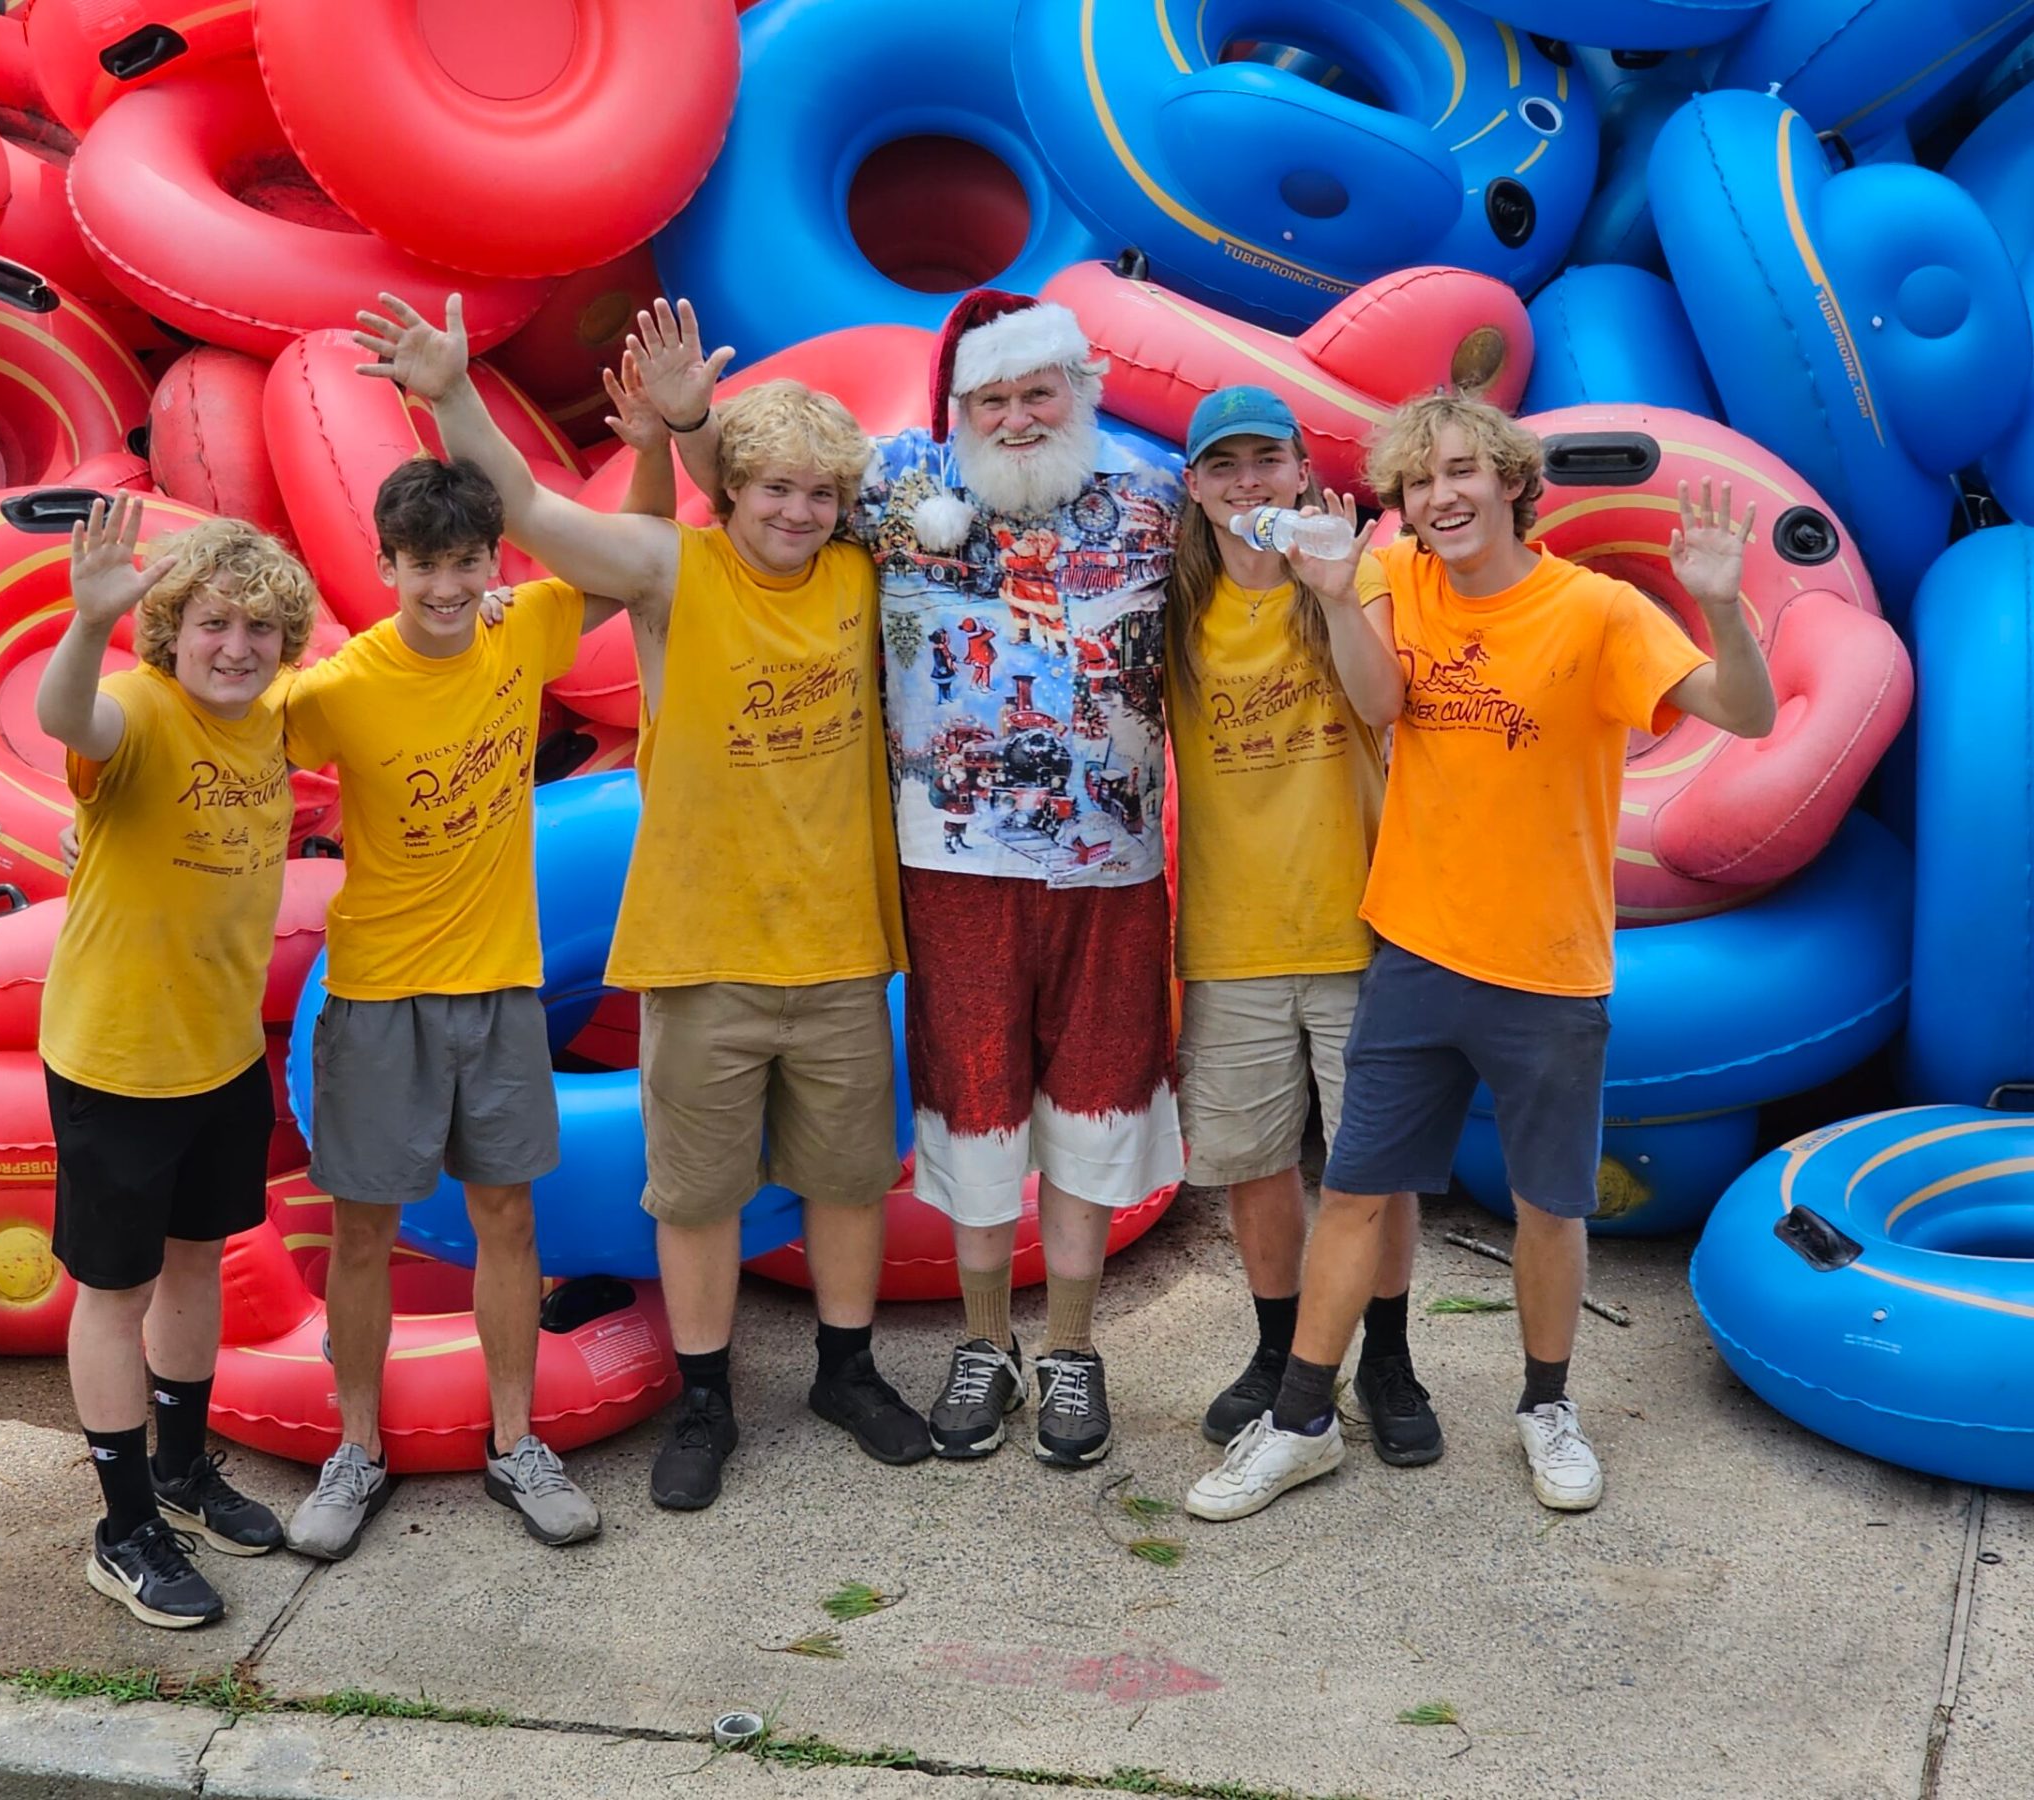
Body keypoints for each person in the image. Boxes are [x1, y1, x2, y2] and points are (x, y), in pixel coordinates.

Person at [354, 292, 928, 1514]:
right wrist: (453, 391)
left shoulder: (862, 579)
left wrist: (704, 426)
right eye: (772, 488)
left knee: (844, 1178)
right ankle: (710, 1398)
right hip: (702, 945)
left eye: (818, 495)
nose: (796, 511)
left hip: (839, 945)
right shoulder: (675, 566)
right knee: (699, 1190)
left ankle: (846, 1370)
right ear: (733, 491)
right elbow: (530, 508)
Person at [1188, 393, 1775, 1522]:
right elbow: (1378, 701)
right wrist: (1332, 591)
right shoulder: (1393, 577)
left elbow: (1741, 714)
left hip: (1549, 965)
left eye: (1463, 472)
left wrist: (1722, 607)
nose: (1440, 497)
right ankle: (1304, 1419)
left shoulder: (1595, 609)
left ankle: (1547, 1407)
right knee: (1355, 1192)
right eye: (1418, 482)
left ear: (1512, 481)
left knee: (1549, 1206)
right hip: (1414, 946)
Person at [639, 292, 1183, 1468]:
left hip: (1113, 872)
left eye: (1038, 391)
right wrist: (687, 428)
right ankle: (986, 1345)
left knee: (1096, 1113)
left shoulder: (1158, 496)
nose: (1019, 416)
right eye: (992, 397)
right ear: (958, 409)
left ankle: (1077, 1351)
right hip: (951, 869)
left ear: (1078, 389)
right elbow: (766, 496)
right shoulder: (891, 489)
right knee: (973, 1111)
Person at [277, 359, 680, 1561]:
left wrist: (653, 439)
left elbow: (646, 547)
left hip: (501, 987)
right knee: (363, 1228)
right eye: (426, 566)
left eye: (470, 564)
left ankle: (515, 1443)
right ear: (386, 567)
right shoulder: (340, 687)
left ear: (493, 566)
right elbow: (222, 721)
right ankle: (358, 1449)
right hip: (376, 995)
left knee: (510, 1217)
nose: (450, 588)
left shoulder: (524, 632)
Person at [35, 499, 318, 1629]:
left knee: (199, 1264)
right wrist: (85, 623)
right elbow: (76, 716)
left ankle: (184, 1473)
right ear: (171, 630)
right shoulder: (140, 711)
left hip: (219, 1054)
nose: (236, 647)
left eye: (259, 628)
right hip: (115, 1059)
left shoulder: (270, 720)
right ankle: (123, 1528)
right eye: (213, 624)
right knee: (117, 1293)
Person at [1162, 386, 1437, 1473]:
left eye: (1264, 461)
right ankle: (1279, 1347)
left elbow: (1382, 705)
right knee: (1255, 1162)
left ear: (1301, 470)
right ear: (1194, 486)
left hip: (1357, 922)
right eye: (1221, 467)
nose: (1246, 484)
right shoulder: (1174, 604)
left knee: (1377, 1169)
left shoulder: (1357, 572)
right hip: (1231, 933)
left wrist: (1328, 590)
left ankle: (1389, 1357)